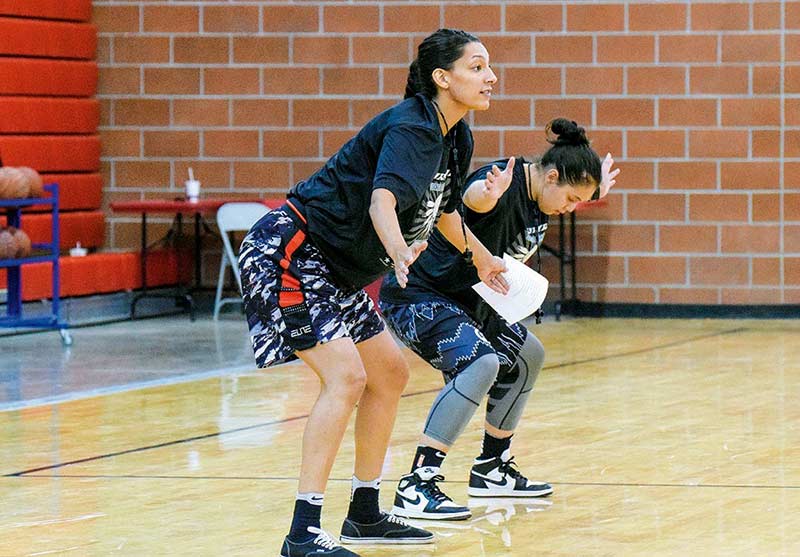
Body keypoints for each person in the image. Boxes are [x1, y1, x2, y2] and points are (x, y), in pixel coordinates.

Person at [238, 29, 510, 557]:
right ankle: (303, 533)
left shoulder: (456, 135)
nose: (489, 76)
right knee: (347, 377)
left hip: (335, 269)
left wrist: (480, 256)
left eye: (488, 67)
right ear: (442, 78)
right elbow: (382, 203)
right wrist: (400, 253)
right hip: (291, 253)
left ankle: (364, 513)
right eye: (476, 67)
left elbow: (445, 211)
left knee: (390, 373)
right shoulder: (411, 127)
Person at [379, 118, 619, 520]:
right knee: (481, 362)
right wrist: (484, 195)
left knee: (528, 355)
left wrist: (592, 187)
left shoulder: (544, 195)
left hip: (471, 304)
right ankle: (417, 484)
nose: (571, 208)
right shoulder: (502, 183)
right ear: (552, 176)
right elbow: (472, 200)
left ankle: (492, 469)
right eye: (572, 197)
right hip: (419, 297)